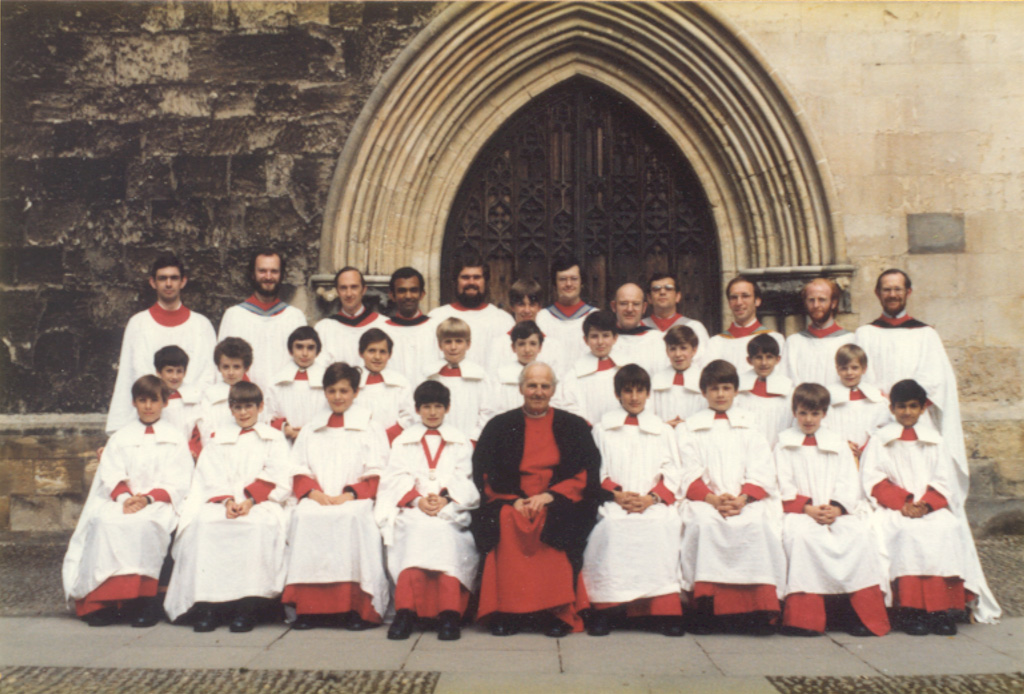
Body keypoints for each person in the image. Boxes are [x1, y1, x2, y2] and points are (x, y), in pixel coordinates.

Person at [472, 362, 601, 637]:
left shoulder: (574, 426)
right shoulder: (500, 425)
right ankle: (506, 612)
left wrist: (550, 496)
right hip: (511, 500)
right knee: (506, 519)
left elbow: (585, 473)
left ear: (553, 389)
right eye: (532, 385)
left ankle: (556, 611)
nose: (538, 392)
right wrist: (512, 500)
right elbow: (485, 471)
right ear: (520, 388)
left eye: (544, 386)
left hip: (557, 499)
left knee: (550, 520)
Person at [861, 379, 1000, 632]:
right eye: (901, 406)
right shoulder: (881, 440)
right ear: (891, 409)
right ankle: (911, 611)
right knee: (906, 533)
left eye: (913, 406)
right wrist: (903, 504)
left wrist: (926, 505)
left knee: (946, 529)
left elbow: (944, 479)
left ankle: (941, 611)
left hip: (928, 507)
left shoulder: (934, 440)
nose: (907, 412)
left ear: (923, 408)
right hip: (895, 509)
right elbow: (874, 478)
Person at [63, 376, 193, 627]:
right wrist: (125, 498)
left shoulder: (175, 438)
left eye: (153, 400)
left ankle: (145, 603)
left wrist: (147, 498)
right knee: (104, 522)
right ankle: (105, 602)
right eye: (142, 400)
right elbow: (111, 473)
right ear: (134, 402)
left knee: (147, 524)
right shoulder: (121, 437)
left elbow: (179, 480)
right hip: (123, 500)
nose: (147, 406)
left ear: (164, 403)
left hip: (159, 502)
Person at [164, 382, 292, 632]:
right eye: (238, 407)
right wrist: (227, 500)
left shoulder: (274, 438)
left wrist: (249, 501)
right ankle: (209, 606)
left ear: (261, 407)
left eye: (249, 407)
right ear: (230, 409)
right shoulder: (218, 439)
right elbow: (209, 475)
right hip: (222, 502)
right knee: (205, 525)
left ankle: (246, 607)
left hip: (260, 503)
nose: (244, 413)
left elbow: (279, 475)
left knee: (255, 527)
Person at [676, 360, 786, 635]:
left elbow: (762, 468)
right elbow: (687, 470)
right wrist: (712, 499)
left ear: (737, 391)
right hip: (706, 501)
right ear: (703, 392)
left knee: (757, 526)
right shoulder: (689, 428)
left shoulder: (750, 426)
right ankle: (706, 610)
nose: (721, 394)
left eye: (726, 388)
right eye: (714, 388)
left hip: (744, 500)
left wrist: (743, 498)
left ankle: (758, 611)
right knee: (704, 525)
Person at [775, 383, 890, 638]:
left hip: (835, 510)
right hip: (800, 512)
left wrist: (837, 508)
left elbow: (848, 481)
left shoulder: (836, 443)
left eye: (814, 414)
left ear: (824, 413)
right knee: (803, 538)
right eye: (803, 413)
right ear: (794, 412)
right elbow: (782, 484)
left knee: (858, 536)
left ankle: (859, 616)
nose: (808, 419)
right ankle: (806, 619)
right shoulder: (784, 444)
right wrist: (808, 509)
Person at [282, 362, 390, 630]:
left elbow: (379, 472)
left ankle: (356, 608)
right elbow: (298, 468)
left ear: (355, 392)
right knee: (305, 517)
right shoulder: (312, 428)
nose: (338, 397)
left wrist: (350, 495)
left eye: (344, 390)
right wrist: (314, 494)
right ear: (325, 393)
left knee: (351, 520)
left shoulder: (370, 427)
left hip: (356, 500)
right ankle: (309, 609)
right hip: (319, 498)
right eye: (332, 391)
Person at [582, 364, 684, 637]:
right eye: (628, 391)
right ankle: (606, 609)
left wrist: (652, 498)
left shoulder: (662, 430)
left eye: (640, 391)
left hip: (652, 503)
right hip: (616, 501)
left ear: (648, 393)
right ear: (618, 394)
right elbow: (596, 471)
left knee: (661, 527)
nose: (634, 397)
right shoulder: (603, 429)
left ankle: (664, 612)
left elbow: (673, 470)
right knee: (612, 528)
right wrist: (617, 494)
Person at [375, 381, 480, 642]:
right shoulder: (404, 441)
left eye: (438, 406)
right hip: (413, 508)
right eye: (426, 407)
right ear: (417, 409)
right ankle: (406, 612)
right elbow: (394, 477)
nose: (432, 412)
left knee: (443, 533)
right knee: (415, 532)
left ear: (448, 408)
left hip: (449, 509)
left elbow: (465, 477)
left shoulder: (460, 442)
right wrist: (417, 500)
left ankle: (449, 613)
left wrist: (445, 499)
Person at [854, 269, 969, 496]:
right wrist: (885, 405)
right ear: (877, 293)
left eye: (898, 289)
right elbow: (862, 379)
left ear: (908, 292)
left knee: (922, 481)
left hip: (916, 420)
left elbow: (937, 380)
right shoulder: (865, 334)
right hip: (878, 419)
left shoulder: (925, 334)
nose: (892, 294)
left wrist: (907, 406)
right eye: (887, 289)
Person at [106, 254, 217, 434]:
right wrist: (118, 432)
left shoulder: (201, 325)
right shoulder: (138, 323)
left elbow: (210, 375)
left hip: (191, 417)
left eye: (174, 278)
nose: (168, 284)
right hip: (149, 418)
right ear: (152, 282)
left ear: (183, 282)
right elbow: (128, 375)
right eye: (162, 278)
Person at [217, 250, 306, 391]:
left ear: (281, 275)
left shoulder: (295, 317)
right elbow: (223, 363)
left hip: (285, 398)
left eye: (274, 271)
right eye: (262, 271)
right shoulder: (234, 316)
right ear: (253, 274)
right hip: (245, 402)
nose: (268, 276)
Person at [428, 254, 514, 366]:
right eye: (465, 277)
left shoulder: (503, 320)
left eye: (477, 277)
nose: (471, 282)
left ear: (485, 281)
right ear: (456, 281)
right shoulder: (437, 317)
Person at [424, 318, 494, 443]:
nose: (453, 347)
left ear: (468, 344)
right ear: (440, 345)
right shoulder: (430, 375)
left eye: (459, 341)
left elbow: (487, 412)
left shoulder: (479, 376)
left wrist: (474, 439)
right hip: (437, 441)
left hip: (470, 440)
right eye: (448, 342)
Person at [824, 344, 889, 462]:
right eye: (844, 368)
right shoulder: (827, 397)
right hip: (836, 456)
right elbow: (822, 427)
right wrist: (842, 445)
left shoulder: (875, 398)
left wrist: (867, 449)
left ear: (864, 369)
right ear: (837, 369)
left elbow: (882, 427)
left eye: (855, 368)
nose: (849, 373)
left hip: (868, 456)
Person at [705, 276, 785, 372]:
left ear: (757, 301)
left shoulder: (775, 339)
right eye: (734, 297)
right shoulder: (716, 343)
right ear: (729, 303)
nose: (739, 302)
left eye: (745, 296)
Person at [535, 256, 598, 376]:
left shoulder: (594, 316)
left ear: (582, 282)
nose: (568, 284)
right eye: (562, 279)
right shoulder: (541, 318)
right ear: (555, 284)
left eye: (574, 279)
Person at [265, 326, 329, 445]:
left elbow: (331, 412)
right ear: (290, 350)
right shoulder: (277, 381)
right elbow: (268, 415)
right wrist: (284, 428)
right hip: (286, 442)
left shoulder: (327, 381)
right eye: (299, 347)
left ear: (318, 351)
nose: (304, 353)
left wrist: (307, 432)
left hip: (319, 441)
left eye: (310, 348)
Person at [782, 278, 851, 388]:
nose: (816, 305)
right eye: (811, 300)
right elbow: (787, 381)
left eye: (822, 300)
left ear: (833, 303)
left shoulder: (849, 341)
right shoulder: (794, 342)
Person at [314, 267, 388, 367]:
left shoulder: (383, 325)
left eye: (354, 287)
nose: (349, 294)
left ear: (363, 290)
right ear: (337, 291)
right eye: (343, 288)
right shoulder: (324, 328)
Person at [559, 311, 621, 425]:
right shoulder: (574, 375)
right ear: (585, 340)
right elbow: (568, 407)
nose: (600, 342)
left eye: (606, 335)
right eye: (594, 336)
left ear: (615, 338)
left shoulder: (626, 369)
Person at [355, 328, 415, 441]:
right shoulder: (352, 382)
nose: (377, 357)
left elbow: (409, 416)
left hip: (392, 443)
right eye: (371, 351)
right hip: (359, 443)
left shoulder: (400, 383)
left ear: (390, 354)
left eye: (382, 351)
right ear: (361, 353)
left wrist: (385, 438)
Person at [736, 334, 794, 448]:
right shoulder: (739, 390)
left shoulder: (788, 391)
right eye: (758, 357)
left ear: (778, 359)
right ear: (749, 360)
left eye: (769, 357)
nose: (764, 363)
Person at [642, 272, 710, 368]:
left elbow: (703, 365)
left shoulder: (694, 327)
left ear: (677, 296)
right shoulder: (640, 328)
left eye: (668, 288)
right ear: (649, 298)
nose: (662, 292)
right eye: (656, 289)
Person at [382, 267, 438, 382]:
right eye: (402, 291)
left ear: (422, 294)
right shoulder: (383, 330)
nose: (408, 296)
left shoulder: (435, 328)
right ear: (392, 295)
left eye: (413, 290)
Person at [196, 337, 253, 445]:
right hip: (219, 446)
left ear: (246, 368)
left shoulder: (254, 393)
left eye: (236, 367)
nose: (231, 372)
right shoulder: (209, 395)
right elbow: (205, 426)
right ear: (218, 368)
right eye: (226, 367)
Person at [485, 278, 548, 373]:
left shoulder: (552, 345)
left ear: (539, 307)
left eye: (532, 305)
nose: (527, 310)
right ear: (512, 307)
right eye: (521, 304)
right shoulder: (499, 344)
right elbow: (492, 380)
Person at [651, 325, 705, 427]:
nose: (678, 354)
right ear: (667, 351)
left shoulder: (703, 379)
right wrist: (664, 426)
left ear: (694, 350)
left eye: (683, 348)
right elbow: (650, 414)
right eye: (673, 349)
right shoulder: (657, 379)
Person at [153, 345, 201, 454]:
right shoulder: (153, 397)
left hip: (188, 452)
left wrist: (193, 449)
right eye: (169, 371)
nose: (174, 377)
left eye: (179, 371)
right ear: (158, 372)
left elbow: (198, 430)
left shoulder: (193, 397)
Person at [609, 282, 665, 374]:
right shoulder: (603, 341)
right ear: (614, 306)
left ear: (644, 308)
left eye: (636, 304)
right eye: (623, 303)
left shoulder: (658, 340)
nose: (630, 309)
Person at [493, 321, 545, 413]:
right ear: (513, 347)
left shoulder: (546, 375)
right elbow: (494, 407)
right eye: (521, 344)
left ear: (540, 347)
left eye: (532, 344)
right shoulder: (501, 376)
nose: (527, 350)